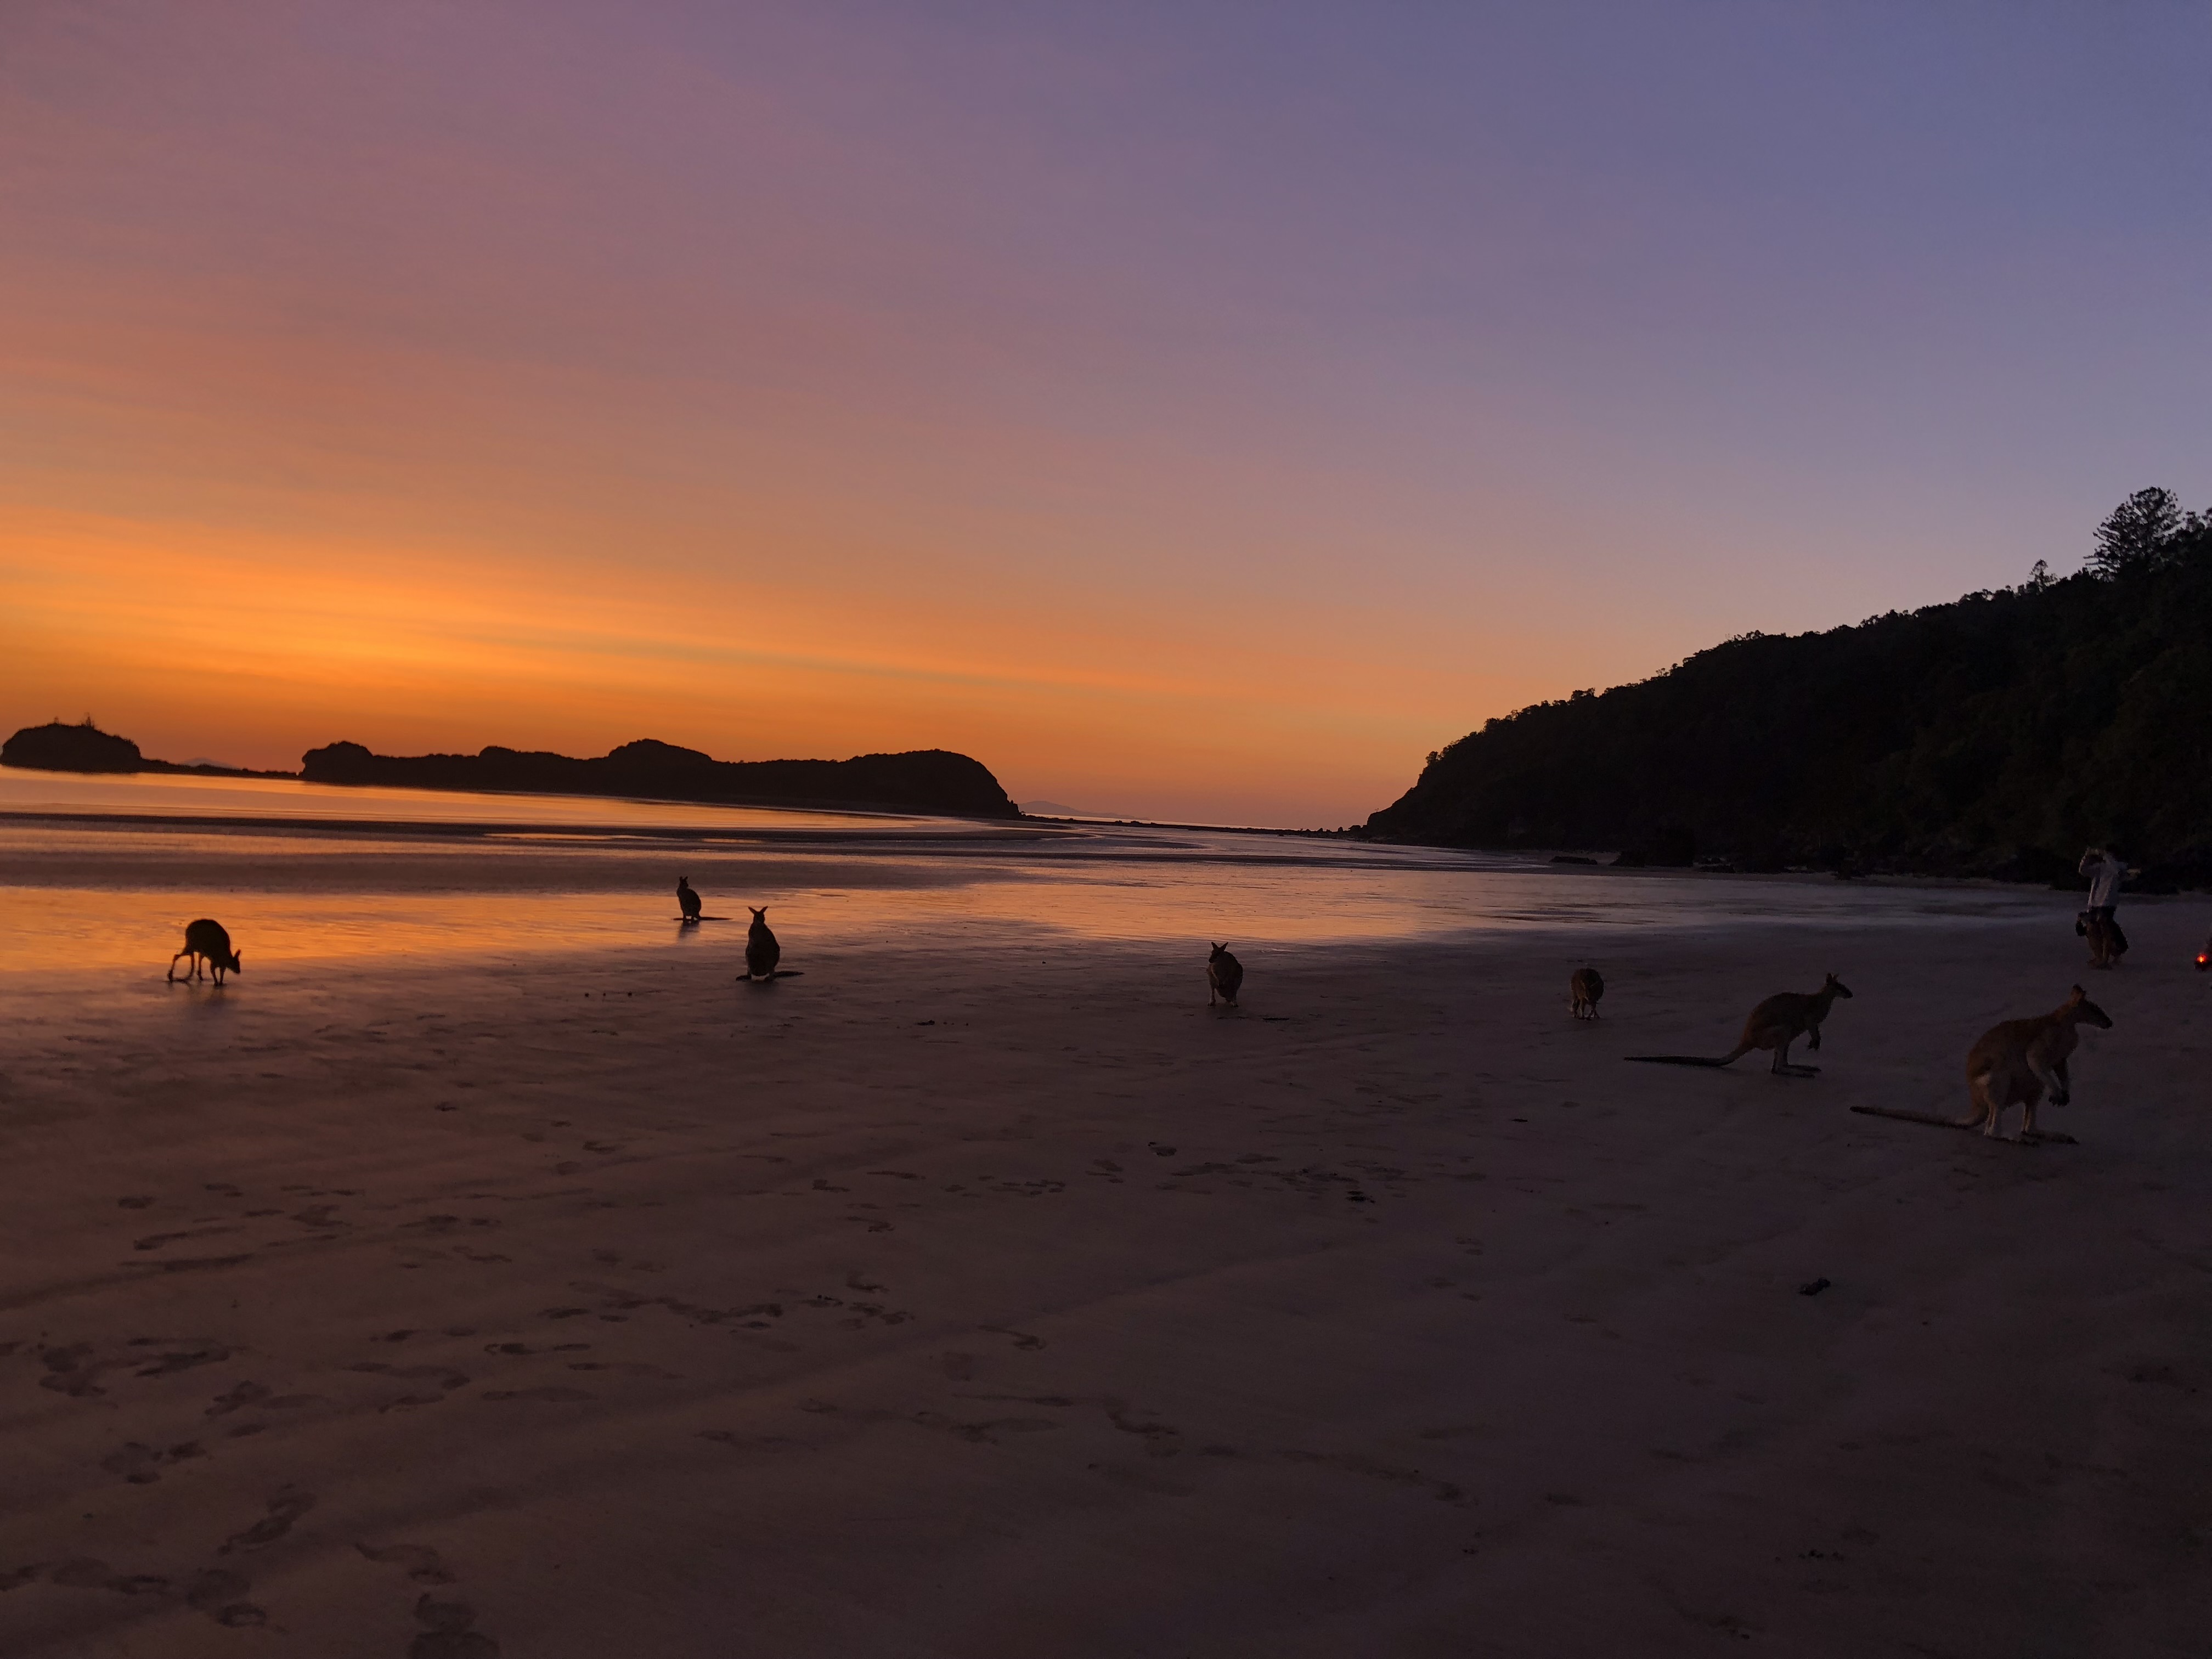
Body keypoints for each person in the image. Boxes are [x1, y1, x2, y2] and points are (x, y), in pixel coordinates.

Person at [2078, 845, 2127, 958]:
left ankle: (2106, 958)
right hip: (2094, 903)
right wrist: (2087, 856)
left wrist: (2105, 855)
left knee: (2106, 930)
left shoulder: (2119, 866)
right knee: (2091, 930)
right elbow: (2083, 870)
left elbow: (2115, 871)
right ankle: (2099, 956)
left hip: (2108, 903)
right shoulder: (2100, 867)